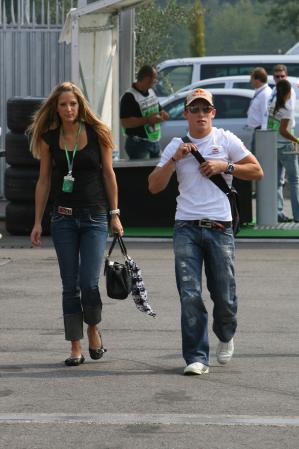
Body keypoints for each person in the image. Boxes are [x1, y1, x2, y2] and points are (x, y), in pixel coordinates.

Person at [148, 88, 263, 375]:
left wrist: (226, 166)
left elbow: (257, 170)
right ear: (186, 114)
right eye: (194, 109)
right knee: (189, 293)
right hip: (186, 225)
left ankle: (225, 333)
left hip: (220, 226)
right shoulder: (176, 143)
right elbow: (153, 185)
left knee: (223, 294)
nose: (200, 114)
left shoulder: (225, 139)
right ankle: (196, 357)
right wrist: (174, 159)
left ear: (213, 113)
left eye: (205, 109)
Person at [29, 81, 123, 366]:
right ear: (55, 109)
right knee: (69, 285)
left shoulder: (98, 133)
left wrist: (115, 214)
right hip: (63, 218)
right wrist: (36, 222)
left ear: (80, 106)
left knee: (88, 282)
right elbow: (44, 181)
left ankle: (93, 328)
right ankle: (75, 346)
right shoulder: (49, 138)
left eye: (73, 104)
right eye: (63, 105)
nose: (69, 109)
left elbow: (108, 174)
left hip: (95, 217)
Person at [120, 65, 169, 159]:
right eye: (154, 78)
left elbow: (158, 109)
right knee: (143, 173)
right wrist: (148, 120)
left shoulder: (151, 92)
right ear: (147, 78)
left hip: (155, 142)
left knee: (158, 170)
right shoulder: (129, 96)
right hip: (138, 144)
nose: (155, 81)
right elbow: (125, 122)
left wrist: (163, 114)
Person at [267, 79, 299, 222]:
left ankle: (278, 213)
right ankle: (297, 215)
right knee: (294, 181)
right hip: (286, 146)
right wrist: (297, 140)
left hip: (273, 145)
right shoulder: (288, 108)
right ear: (288, 92)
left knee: (277, 181)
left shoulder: (272, 105)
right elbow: (284, 131)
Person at [247, 67, 272, 153]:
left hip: (261, 131)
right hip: (258, 131)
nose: (250, 81)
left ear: (257, 80)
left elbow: (266, 114)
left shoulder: (265, 93)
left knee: (259, 158)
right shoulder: (261, 92)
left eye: (252, 79)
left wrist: (264, 134)